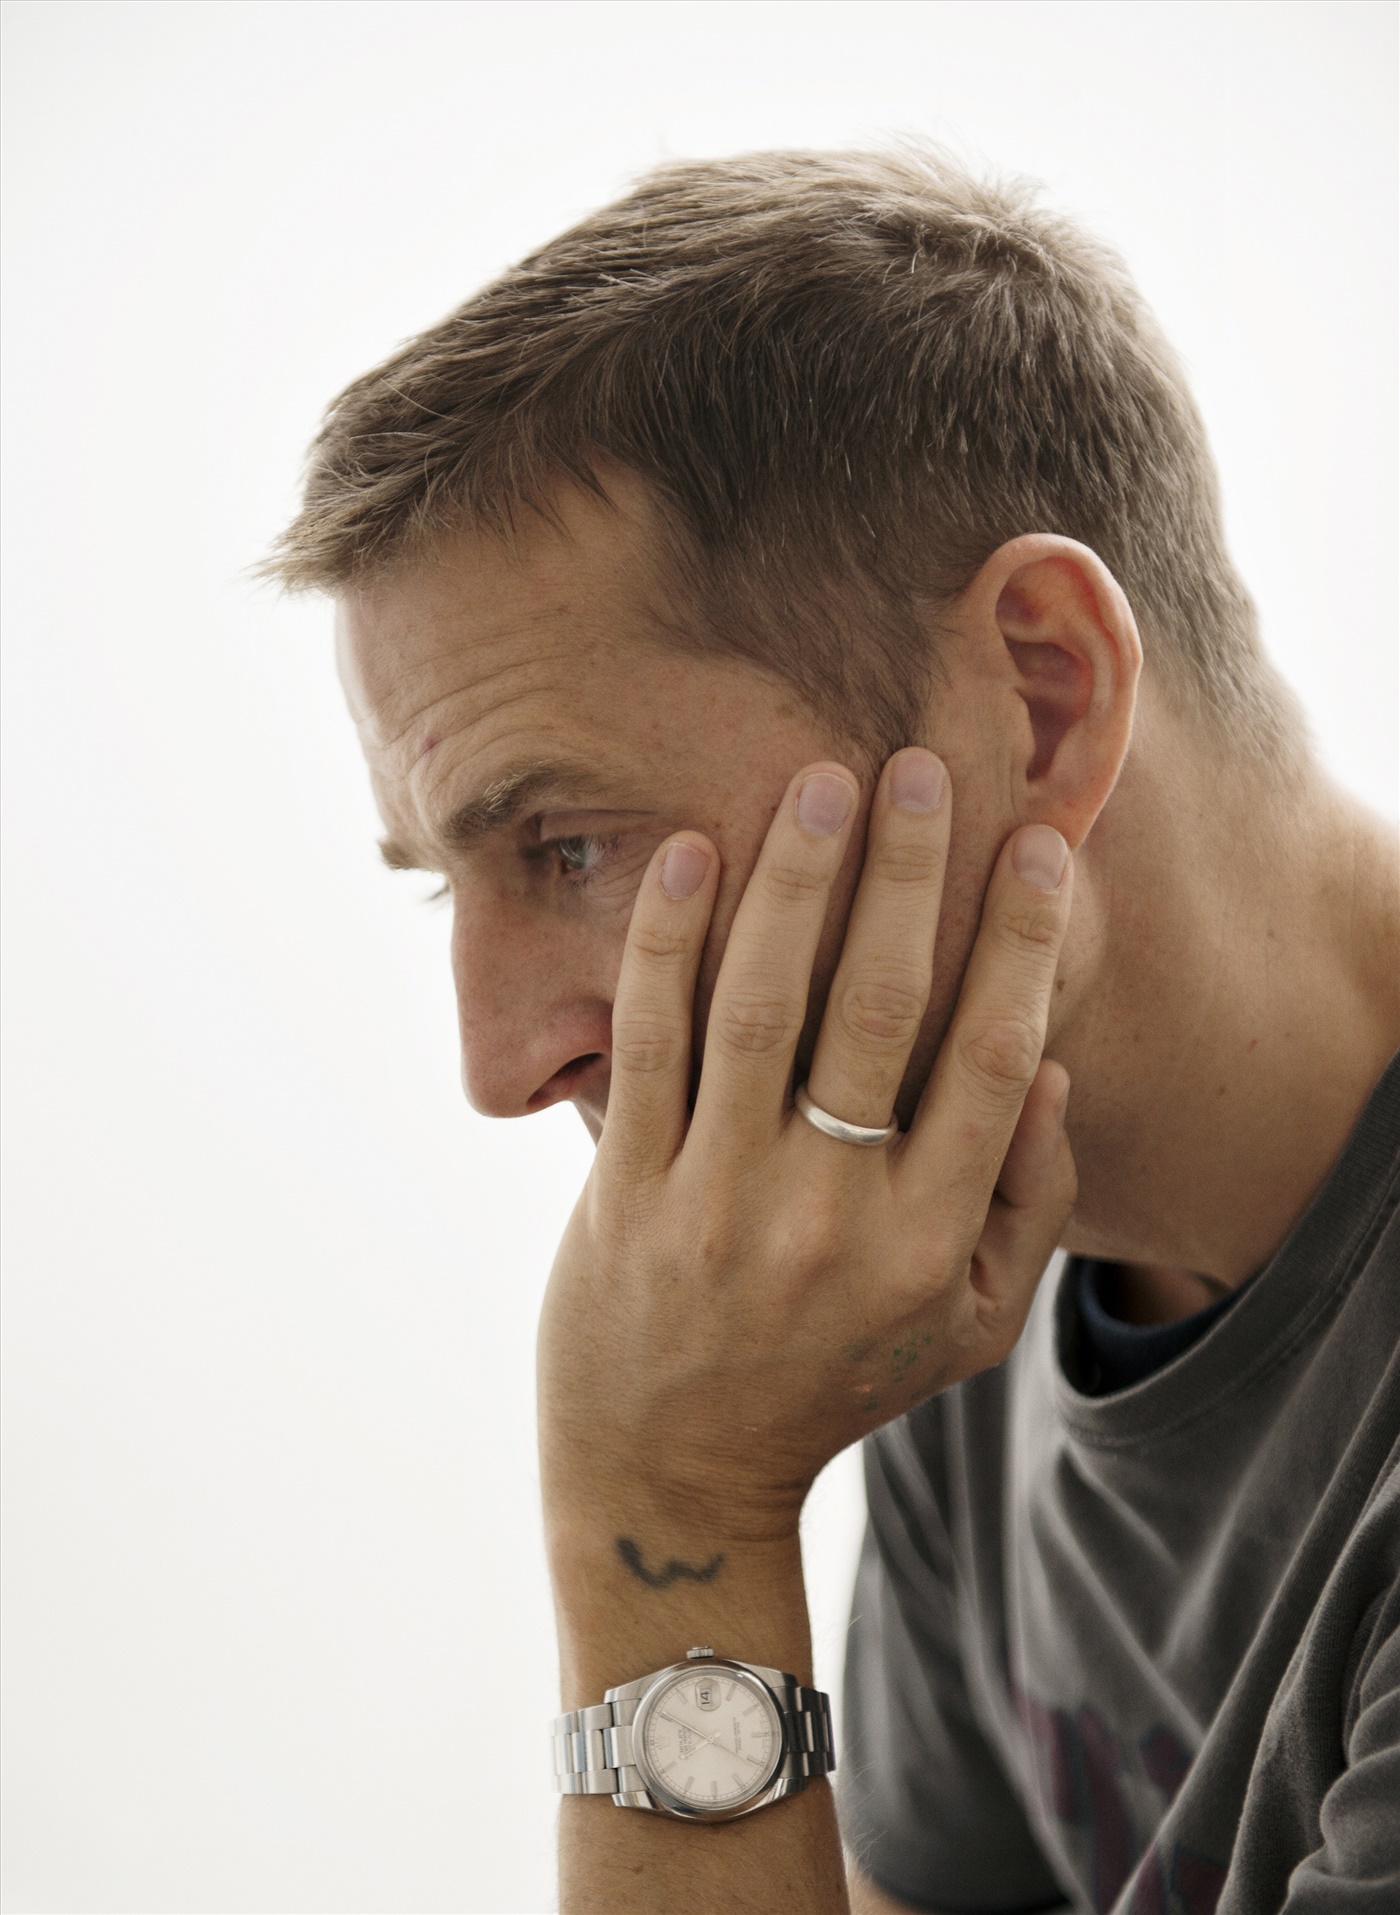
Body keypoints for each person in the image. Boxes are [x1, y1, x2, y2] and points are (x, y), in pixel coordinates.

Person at [265, 149, 1400, 1913]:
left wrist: (669, 1517)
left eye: (568, 844)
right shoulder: (964, 1221)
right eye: (447, 888)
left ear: (1041, 697)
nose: (499, 1065)